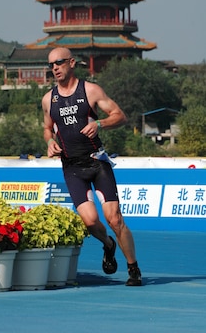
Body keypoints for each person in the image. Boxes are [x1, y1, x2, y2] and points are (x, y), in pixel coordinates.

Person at [42, 47, 142, 286]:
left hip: (97, 162)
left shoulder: (91, 90)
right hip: (72, 168)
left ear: (72, 63)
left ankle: (133, 268)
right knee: (89, 222)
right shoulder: (48, 99)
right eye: (51, 65)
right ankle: (108, 245)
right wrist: (49, 142)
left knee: (115, 219)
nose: (55, 67)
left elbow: (120, 115)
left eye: (59, 62)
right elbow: (47, 128)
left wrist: (99, 123)